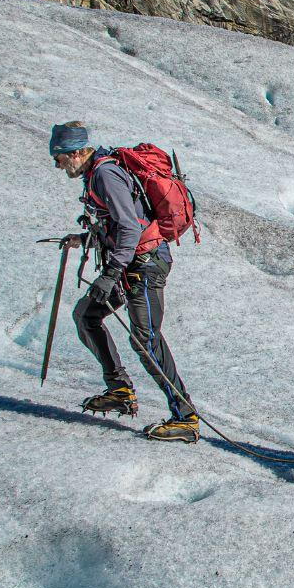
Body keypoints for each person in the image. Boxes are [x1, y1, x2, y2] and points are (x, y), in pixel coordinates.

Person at [50, 121, 198, 442]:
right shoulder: (96, 174)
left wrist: (110, 273)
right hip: (132, 262)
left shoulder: (104, 175)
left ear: (76, 152)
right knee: (87, 316)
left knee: (145, 340)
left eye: (60, 157)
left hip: (144, 265)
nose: (57, 164)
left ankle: (185, 418)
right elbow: (119, 224)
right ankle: (119, 390)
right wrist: (84, 238)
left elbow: (130, 227)